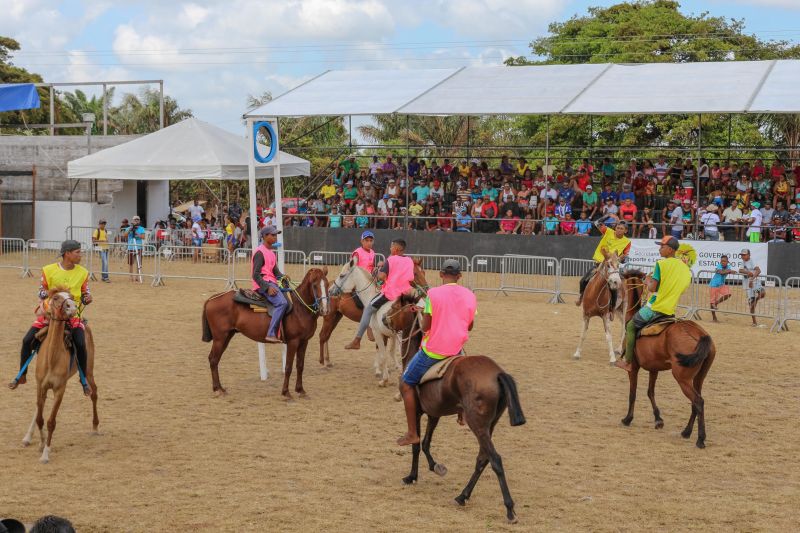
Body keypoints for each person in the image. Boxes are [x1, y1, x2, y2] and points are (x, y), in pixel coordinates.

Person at [396, 259, 477, 446]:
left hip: (434, 351)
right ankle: (461, 413)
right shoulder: (469, 295)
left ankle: (412, 433)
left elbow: (426, 327)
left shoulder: (433, 294)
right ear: (460, 276)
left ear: (441, 274)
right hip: (457, 349)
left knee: (406, 384)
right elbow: (470, 325)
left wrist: (426, 313)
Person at [8, 240, 93, 395]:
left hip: (73, 317)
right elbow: (41, 291)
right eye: (78, 252)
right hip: (50, 316)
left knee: (80, 343)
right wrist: (53, 295)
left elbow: (85, 291)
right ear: (67, 254)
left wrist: (87, 297)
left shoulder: (83, 273)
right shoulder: (48, 270)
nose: (81, 255)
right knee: (27, 340)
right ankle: (22, 374)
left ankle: (83, 378)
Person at [616, 236, 692, 372]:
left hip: (655, 307)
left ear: (670, 250)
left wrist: (647, 281)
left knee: (631, 325)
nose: (659, 249)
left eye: (662, 246)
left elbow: (652, 288)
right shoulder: (685, 269)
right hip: (670, 310)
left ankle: (628, 361)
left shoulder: (661, 264)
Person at [345, 238, 414, 350]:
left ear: (396, 248)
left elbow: (381, 277)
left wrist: (377, 270)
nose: (390, 248)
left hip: (391, 293)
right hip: (406, 293)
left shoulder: (391, 260)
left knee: (368, 309)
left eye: (391, 246)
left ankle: (357, 340)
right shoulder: (409, 260)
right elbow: (410, 277)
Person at [576, 218, 631, 307]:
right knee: (583, 281)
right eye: (618, 227)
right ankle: (581, 297)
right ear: (615, 228)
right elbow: (596, 222)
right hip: (599, 265)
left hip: (612, 267)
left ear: (626, 231)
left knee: (614, 287)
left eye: (622, 228)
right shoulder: (608, 231)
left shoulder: (627, 242)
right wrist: (607, 215)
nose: (619, 230)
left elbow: (625, 255)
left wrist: (618, 259)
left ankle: (612, 308)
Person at [251, 226, 288, 344]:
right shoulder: (259, 252)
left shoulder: (271, 253)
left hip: (272, 282)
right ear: (265, 236)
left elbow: (275, 271)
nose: (275, 237)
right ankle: (271, 333)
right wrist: (267, 288)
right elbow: (255, 275)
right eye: (273, 235)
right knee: (282, 303)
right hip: (263, 285)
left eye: (275, 235)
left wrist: (283, 277)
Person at [738, 248, 765, 327]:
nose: (742, 256)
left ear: (749, 255)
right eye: (742, 255)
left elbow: (758, 270)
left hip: (755, 282)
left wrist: (752, 279)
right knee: (751, 303)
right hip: (747, 285)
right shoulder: (743, 262)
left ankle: (756, 300)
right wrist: (747, 272)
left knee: (762, 293)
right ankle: (754, 322)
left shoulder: (752, 261)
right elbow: (740, 270)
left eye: (744, 255)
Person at [709, 254, 734, 322]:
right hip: (714, 285)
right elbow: (721, 272)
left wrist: (729, 271)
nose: (723, 262)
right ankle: (714, 318)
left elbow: (728, 271)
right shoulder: (719, 265)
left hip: (721, 284)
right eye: (722, 261)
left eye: (724, 261)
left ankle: (717, 302)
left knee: (728, 294)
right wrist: (729, 271)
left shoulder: (728, 266)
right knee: (712, 303)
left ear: (727, 261)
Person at [123, 215, 147, 281]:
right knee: (131, 262)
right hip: (131, 247)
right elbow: (125, 235)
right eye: (135, 220)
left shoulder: (141, 228)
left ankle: (137, 276)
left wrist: (136, 233)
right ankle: (131, 276)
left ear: (139, 221)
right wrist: (130, 229)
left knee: (138, 262)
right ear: (132, 221)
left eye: (137, 220)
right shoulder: (128, 228)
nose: (136, 221)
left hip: (138, 246)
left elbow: (143, 237)